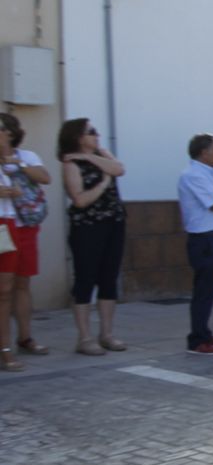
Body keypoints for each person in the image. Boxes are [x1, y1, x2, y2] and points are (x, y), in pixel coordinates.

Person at [58, 119, 126, 355]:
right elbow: (80, 199)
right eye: (91, 132)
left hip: (114, 224)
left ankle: (107, 333)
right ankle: (84, 337)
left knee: (109, 278)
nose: (97, 135)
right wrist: (104, 181)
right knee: (85, 279)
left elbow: (119, 169)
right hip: (87, 227)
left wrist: (89, 157)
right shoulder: (70, 164)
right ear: (78, 137)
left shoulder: (99, 154)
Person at [177, 134, 213, 356]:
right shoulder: (193, 175)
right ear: (204, 152)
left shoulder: (208, 175)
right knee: (203, 291)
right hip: (204, 240)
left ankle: (205, 333)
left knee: (209, 290)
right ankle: (197, 339)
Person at [0, 114, 51, 365]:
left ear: (10, 132)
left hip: (24, 227)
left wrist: (16, 164)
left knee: (22, 284)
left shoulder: (26, 156)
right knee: (4, 289)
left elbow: (45, 177)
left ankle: (25, 337)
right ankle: (4, 347)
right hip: (3, 226)